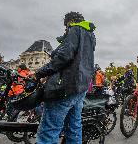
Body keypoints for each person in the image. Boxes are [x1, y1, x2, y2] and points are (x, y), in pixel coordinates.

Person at [33, 11, 96, 143]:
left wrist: (39, 73)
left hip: (65, 87)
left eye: (66, 25)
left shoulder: (75, 29)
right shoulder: (90, 35)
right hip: (81, 87)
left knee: (49, 131)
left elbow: (64, 57)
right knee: (74, 128)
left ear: (71, 22)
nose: (66, 29)